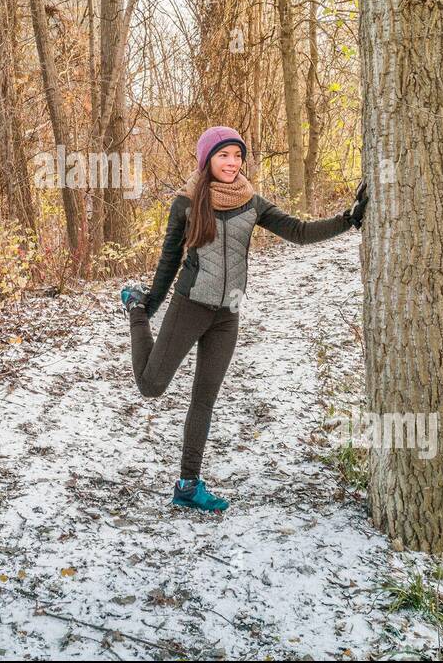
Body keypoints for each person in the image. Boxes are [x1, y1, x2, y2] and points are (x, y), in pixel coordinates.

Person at [120, 125, 368, 513]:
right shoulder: (186, 204)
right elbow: (169, 259)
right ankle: (132, 311)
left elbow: (299, 232)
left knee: (204, 399)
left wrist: (349, 219)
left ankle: (188, 485)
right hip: (190, 305)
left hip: (227, 315)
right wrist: (148, 306)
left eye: (237, 155)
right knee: (152, 385)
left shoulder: (252, 202)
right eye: (224, 155)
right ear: (207, 160)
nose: (233, 162)